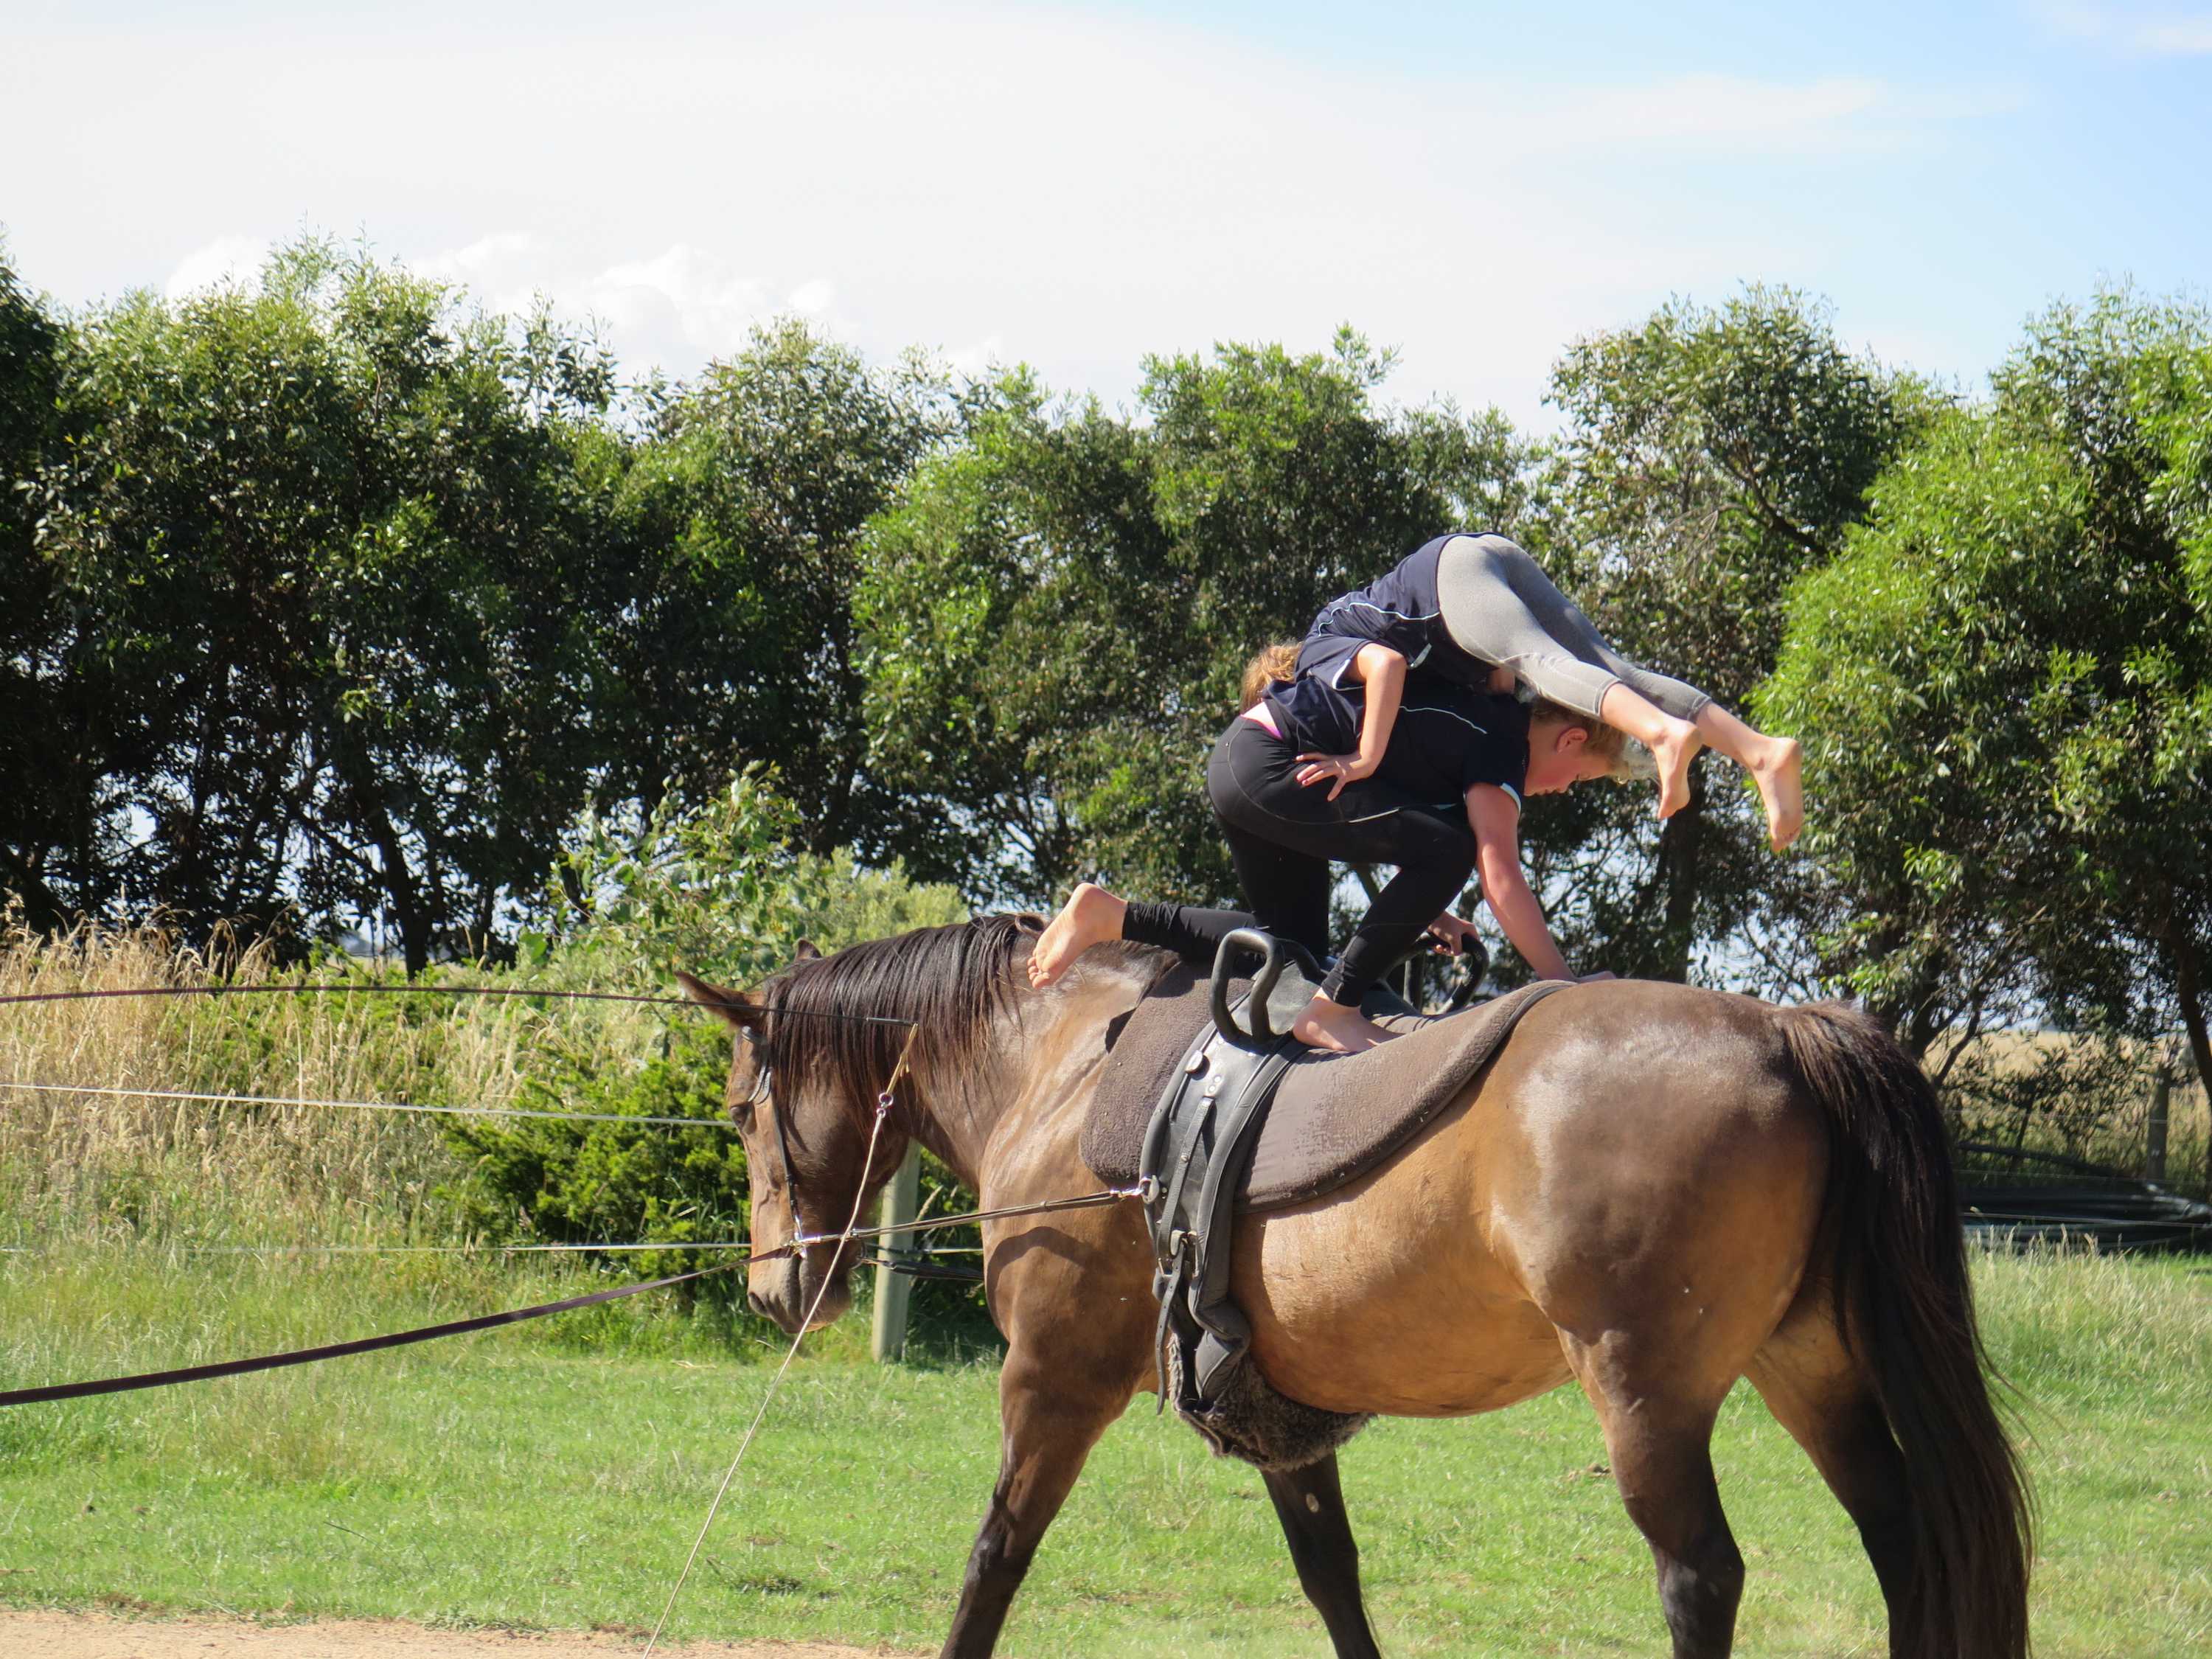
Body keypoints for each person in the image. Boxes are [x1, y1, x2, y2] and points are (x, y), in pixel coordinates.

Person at [1026, 653, 1626, 1052]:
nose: (1560, 790)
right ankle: (1332, 1010)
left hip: (1246, 763)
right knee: (1456, 848)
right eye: (1576, 777)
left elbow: (1375, 822)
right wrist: (1562, 982)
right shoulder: (1503, 748)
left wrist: (1429, 910)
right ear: (1570, 738)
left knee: (1289, 946)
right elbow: (1500, 878)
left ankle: (1113, 915)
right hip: (1269, 763)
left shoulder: (1472, 727)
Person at [1294, 532, 1804, 851]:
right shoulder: (1482, 707)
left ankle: (1663, 733)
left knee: (1538, 661)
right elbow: (1495, 680)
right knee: (1611, 667)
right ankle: (1760, 752)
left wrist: (1361, 759)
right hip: (1487, 561)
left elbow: (1387, 664)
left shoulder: (1317, 649)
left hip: (1450, 579)